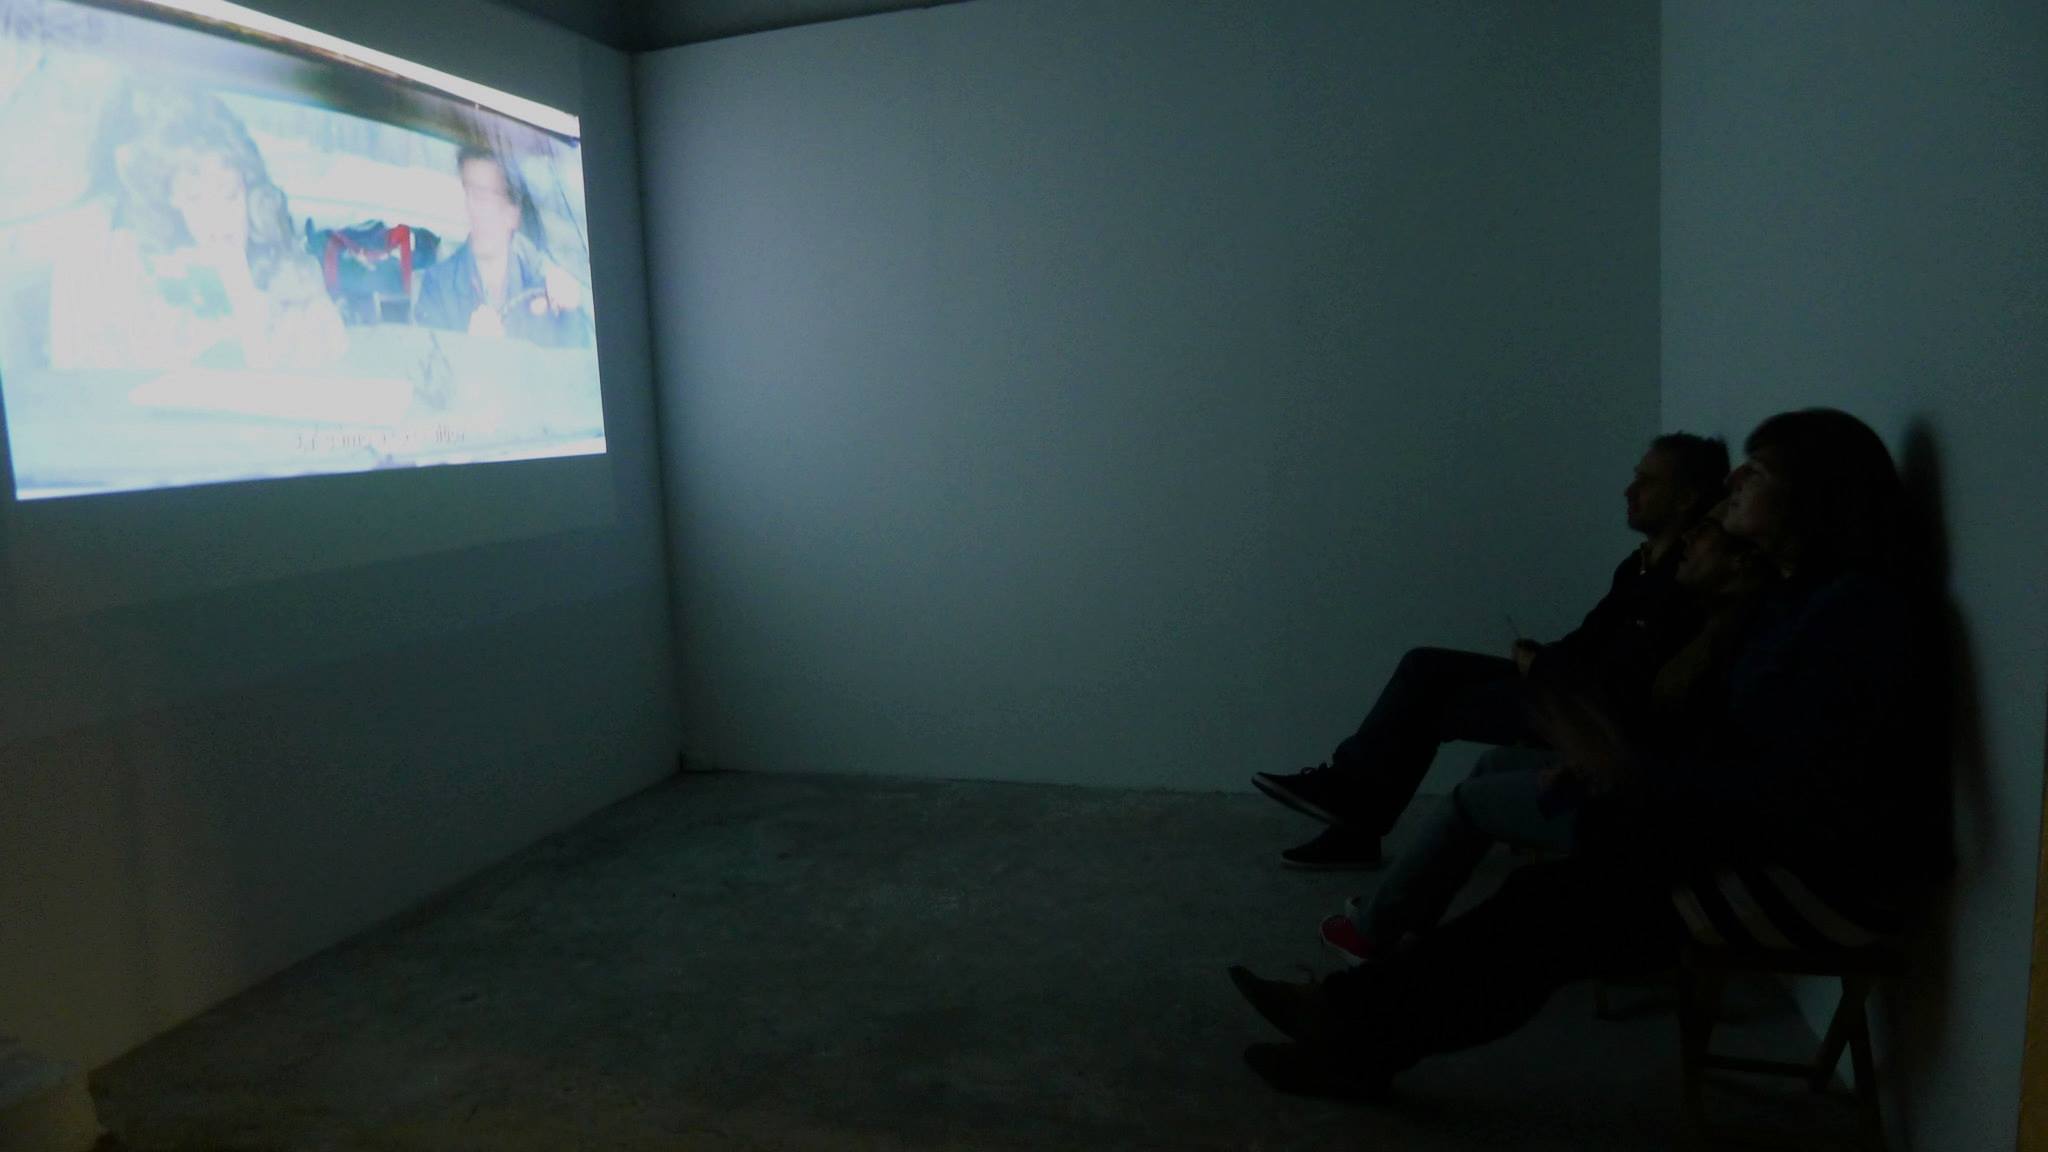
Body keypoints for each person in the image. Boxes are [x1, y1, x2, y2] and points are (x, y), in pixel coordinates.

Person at [1228, 408, 1934, 1102]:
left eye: (1760, 471)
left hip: (1818, 882)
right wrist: (1614, 767)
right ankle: (1351, 1022)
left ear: (1817, 496)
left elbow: (1792, 788)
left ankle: (1350, 1025)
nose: (1736, 482)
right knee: (1539, 900)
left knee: (1543, 915)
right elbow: (1732, 745)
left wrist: (1627, 771)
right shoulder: (1798, 600)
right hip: (1761, 843)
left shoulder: (1852, 612)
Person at [1253, 433, 1730, 869]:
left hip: (1589, 708)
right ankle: (1350, 805)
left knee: (1430, 705)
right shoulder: (1638, 565)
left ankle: (1352, 817)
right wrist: (1541, 656)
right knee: (1425, 666)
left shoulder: (1687, 577)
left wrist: (1542, 664)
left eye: (1647, 481)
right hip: (1566, 682)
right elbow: (1591, 640)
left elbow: (1626, 676)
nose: (1630, 491)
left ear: (1686, 497)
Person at [1317, 516, 1771, 965]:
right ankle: (1406, 919)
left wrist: (1594, 768)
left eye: (1708, 532)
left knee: (1468, 802)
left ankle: (1373, 932)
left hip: (1642, 810)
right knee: (1493, 763)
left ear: (1741, 562)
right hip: (1631, 776)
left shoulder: (1734, 642)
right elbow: (1649, 719)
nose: (1690, 536)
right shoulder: (1698, 621)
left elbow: (1694, 754)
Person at [48, 85, 345, 372]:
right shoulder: (136, 282)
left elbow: (325, 357)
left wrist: (246, 299)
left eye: (229, 194)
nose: (218, 219)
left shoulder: (292, 275)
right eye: (195, 198)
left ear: (250, 194)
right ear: (171, 206)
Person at [415, 145, 591, 347]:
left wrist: (570, 313)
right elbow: (428, 361)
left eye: (481, 196)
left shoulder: (543, 281)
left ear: (512, 213)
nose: (470, 207)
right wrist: (470, 348)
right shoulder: (437, 286)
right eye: (466, 193)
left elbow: (575, 357)